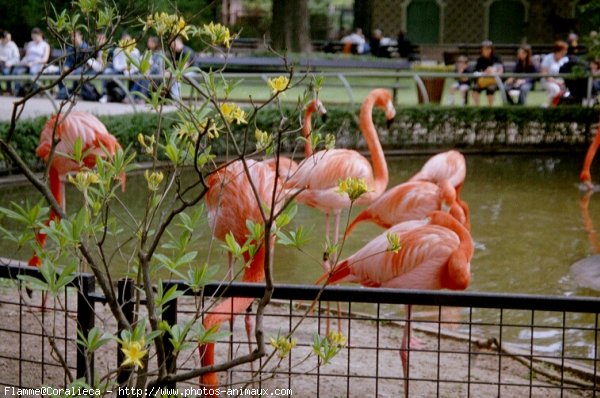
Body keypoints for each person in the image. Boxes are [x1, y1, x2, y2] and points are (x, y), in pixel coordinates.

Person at [99, 32, 140, 103]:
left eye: (129, 41)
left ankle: (131, 96)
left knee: (138, 76)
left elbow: (137, 65)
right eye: (125, 41)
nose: (127, 43)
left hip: (132, 71)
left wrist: (131, 69)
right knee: (107, 72)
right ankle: (105, 94)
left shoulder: (136, 51)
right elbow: (116, 65)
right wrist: (123, 68)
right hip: (120, 71)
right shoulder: (117, 50)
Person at [12, 27, 50, 94]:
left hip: (38, 63)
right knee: (16, 71)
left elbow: (45, 59)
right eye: (33, 37)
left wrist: (34, 62)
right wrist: (25, 62)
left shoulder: (45, 45)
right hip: (28, 63)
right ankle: (18, 90)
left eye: (35, 36)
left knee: (33, 72)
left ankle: (33, 90)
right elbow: (27, 56)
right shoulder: (30, 44)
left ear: (40, 35)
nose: (34, 38)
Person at [57, 29, 92, 99]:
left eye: (74, 36)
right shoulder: (70, 48)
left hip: (83, 69)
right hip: (72, 69)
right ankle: (63, 91)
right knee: (58, 72)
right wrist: (66, 67)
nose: (72, 38)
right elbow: (68, 61)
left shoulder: (86, 48)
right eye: (71, 36)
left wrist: (72, 71)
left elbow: (87, 63)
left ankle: (72, 92)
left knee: (77, 73)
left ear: (80, 36)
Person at [471, 40, 503, 106]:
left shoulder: (496, 58)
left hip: (493, 81)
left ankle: (490, 109)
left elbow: (500, 70)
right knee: (475, 88)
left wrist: (493, 71)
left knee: (490, 89)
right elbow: (476, 72)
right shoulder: (480, 60)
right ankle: (476, 108)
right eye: (484, 49)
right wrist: (484, 72)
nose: (486, 50)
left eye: (488, 48)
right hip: (482, 80)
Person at [540, 40, 569, 107]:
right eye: (564, 50)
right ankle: (550, 106)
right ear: (558, 50)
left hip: (562, 82)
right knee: (556, 90)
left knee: (567, 92)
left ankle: (554, 106)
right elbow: (544, 74)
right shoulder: (548, 58)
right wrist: (556, 81)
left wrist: (563, 82)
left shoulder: (565, 59)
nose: (566, 52)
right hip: (547, 81)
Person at [168, 36, 195, 100]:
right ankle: (170, 97)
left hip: (192, 72)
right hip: (183, 73)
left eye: (172, 44)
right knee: (172, 76)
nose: (172, 47)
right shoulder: (177, 53)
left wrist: (173, 73)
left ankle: (176, 99)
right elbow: (173, 65)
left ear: (178, 42)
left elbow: (185, 66)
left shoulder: (187, 51)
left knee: (175, 77)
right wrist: (167, 71)